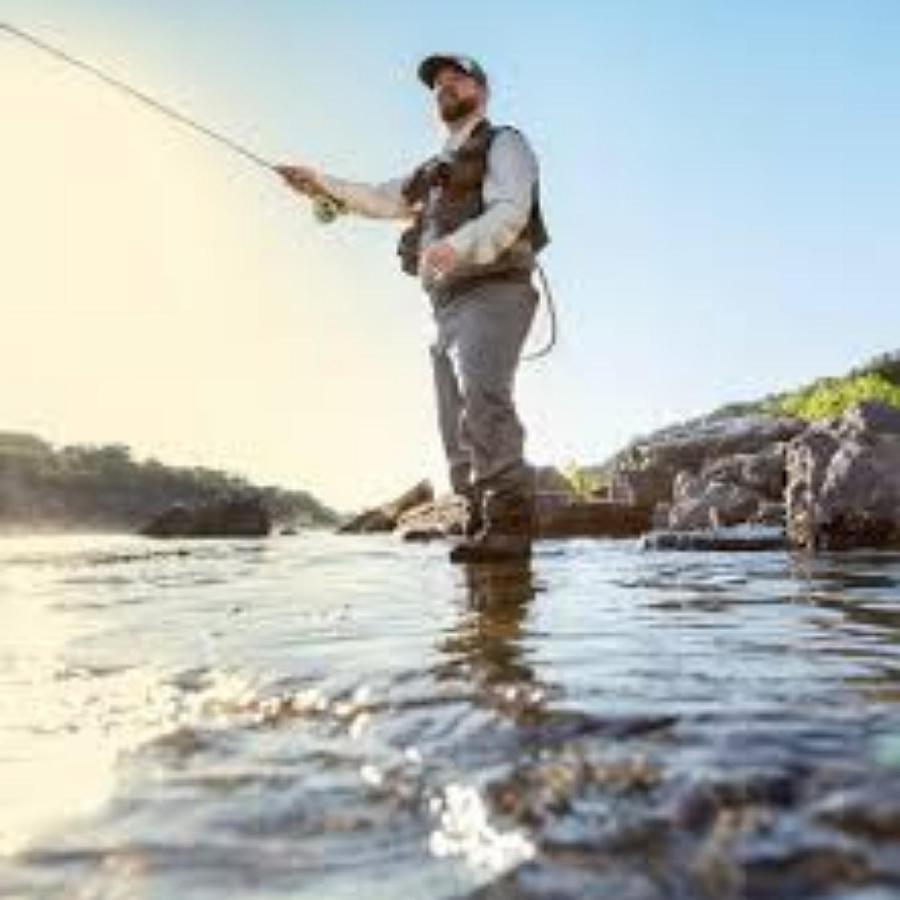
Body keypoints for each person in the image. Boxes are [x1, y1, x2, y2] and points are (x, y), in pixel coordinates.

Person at [276, 53, 549, 563]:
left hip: (495, 290)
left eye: (457, 79)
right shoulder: (431, 171)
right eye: (438, 85)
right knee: (454, 418)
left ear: (482, 92)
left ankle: (510, 522)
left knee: (484, 398)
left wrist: (457, 245)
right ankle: (476, 518)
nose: (445, 87)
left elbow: (512, 210)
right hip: (444, 306)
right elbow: (379, 198)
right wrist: (316, 182)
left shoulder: (505, 142)